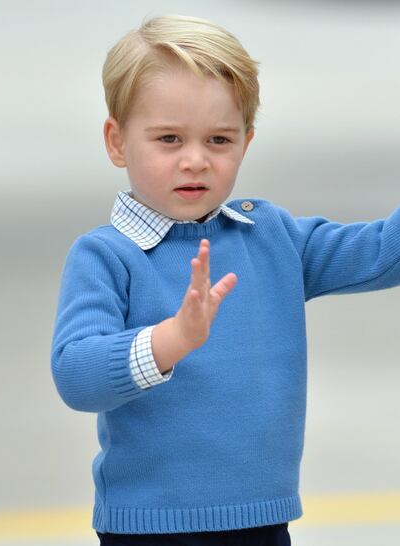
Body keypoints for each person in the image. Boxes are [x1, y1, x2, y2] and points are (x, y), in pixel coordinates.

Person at [50, 14, 400, 546]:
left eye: (219, 139)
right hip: (149, 529)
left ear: (246, 141)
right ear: (117, 141)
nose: (196, 160)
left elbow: (380, 253)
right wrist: (172, 339)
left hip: (263, 519)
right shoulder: (108, 256)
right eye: (169, 138)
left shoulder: (273, 236)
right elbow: (76, 376)